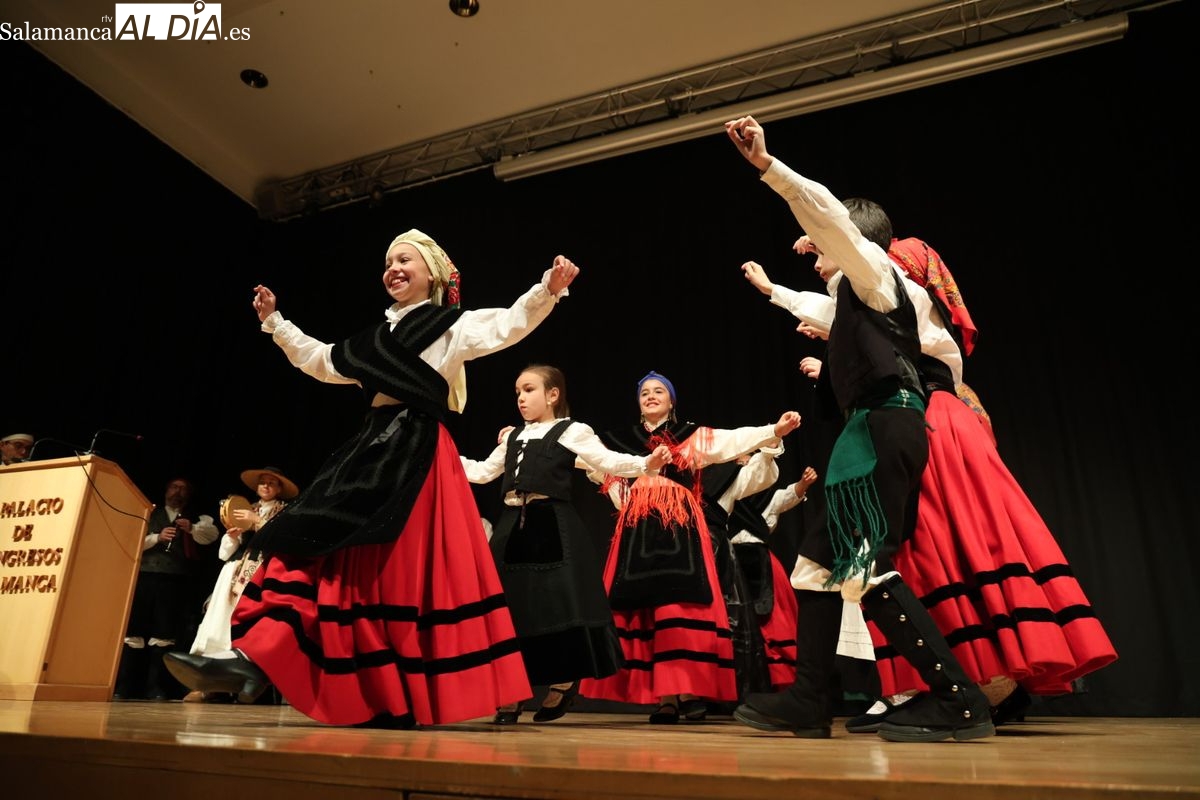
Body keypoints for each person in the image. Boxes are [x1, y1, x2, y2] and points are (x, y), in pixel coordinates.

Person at [164, 228, 579, 729]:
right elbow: (321, 360)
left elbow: (509, 324)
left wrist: (548, 289)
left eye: (404, 260)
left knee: (393, 571)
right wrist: (275, 322)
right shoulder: (374, 339)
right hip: (371, 448)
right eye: (387, 262)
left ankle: (385, 687)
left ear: (433, 274)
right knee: (306, 538)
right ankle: (256, 658)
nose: (393, 269)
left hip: (416, 450)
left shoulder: (451, 325)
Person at [788, 213, 1116, 731]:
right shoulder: (888, 287)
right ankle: (957, 685)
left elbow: (883, 317)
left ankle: (972, 687)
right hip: (933, 415)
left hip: (929, 419)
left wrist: (821, 252)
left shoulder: (896, 267)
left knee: (937, 547)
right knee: (930, 551)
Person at [726, 113, 995, 742]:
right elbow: (825, 308)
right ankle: (809, 699)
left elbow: (827, 216)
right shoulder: (864, 294)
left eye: (824, 246)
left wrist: (768, 167)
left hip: (883, 428)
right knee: (817, 565)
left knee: (865, 566)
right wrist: (775, 292)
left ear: (854, 241)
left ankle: (959, 700)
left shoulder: (874, 273)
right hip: (873, 431)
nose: (815, 252)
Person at [579, 369, 802, 724]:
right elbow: (588, 458)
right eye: (644, 393)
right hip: (638, 529)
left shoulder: (689, 437)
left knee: (679, 607)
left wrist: (773, 431)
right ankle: (666, 698)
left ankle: (686, 690)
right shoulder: (622, 442)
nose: (651, 396)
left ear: (671, 401)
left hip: (679, 528)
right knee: (644, 607)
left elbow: (731, 441)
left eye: (658, 391)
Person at [460, 364, 672, 724]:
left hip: (553, 524)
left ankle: (563, 680)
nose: (521, 398)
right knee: (510, 607)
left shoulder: (572, 430)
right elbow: (482, 472)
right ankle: (512, 690)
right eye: (518, 392)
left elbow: (607, 460)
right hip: (513, 524)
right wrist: (443, 456)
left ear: (552, 395)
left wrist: (646, 463)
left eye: (529, 390)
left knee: (556, 607)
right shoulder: (513, 436)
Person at [183, 466, 299, 703]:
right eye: (263, 482)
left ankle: (248, 683)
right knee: (220, 623)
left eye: (272, 483)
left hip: (264, 573)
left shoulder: (286, 512)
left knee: (250, 626)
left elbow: (283, 540)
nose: (266, 486)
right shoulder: (244, 508)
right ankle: (209, 686)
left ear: (279, 489)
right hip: (235, 571)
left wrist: (257, 521)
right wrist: (232, 537)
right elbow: (224, 554)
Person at [115, 476, 219, 700]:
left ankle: (156, 688)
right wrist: (157, 537)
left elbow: (211, 537)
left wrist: (191, 528)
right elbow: (130, 540)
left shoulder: (195, 518)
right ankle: (123, 687)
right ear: (166, 490)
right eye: (174, 487)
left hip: (174, 581)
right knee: (133, 631)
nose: (178, 491)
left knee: (164, 633)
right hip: (144, 578)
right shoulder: (148, 513)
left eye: (183, 488)